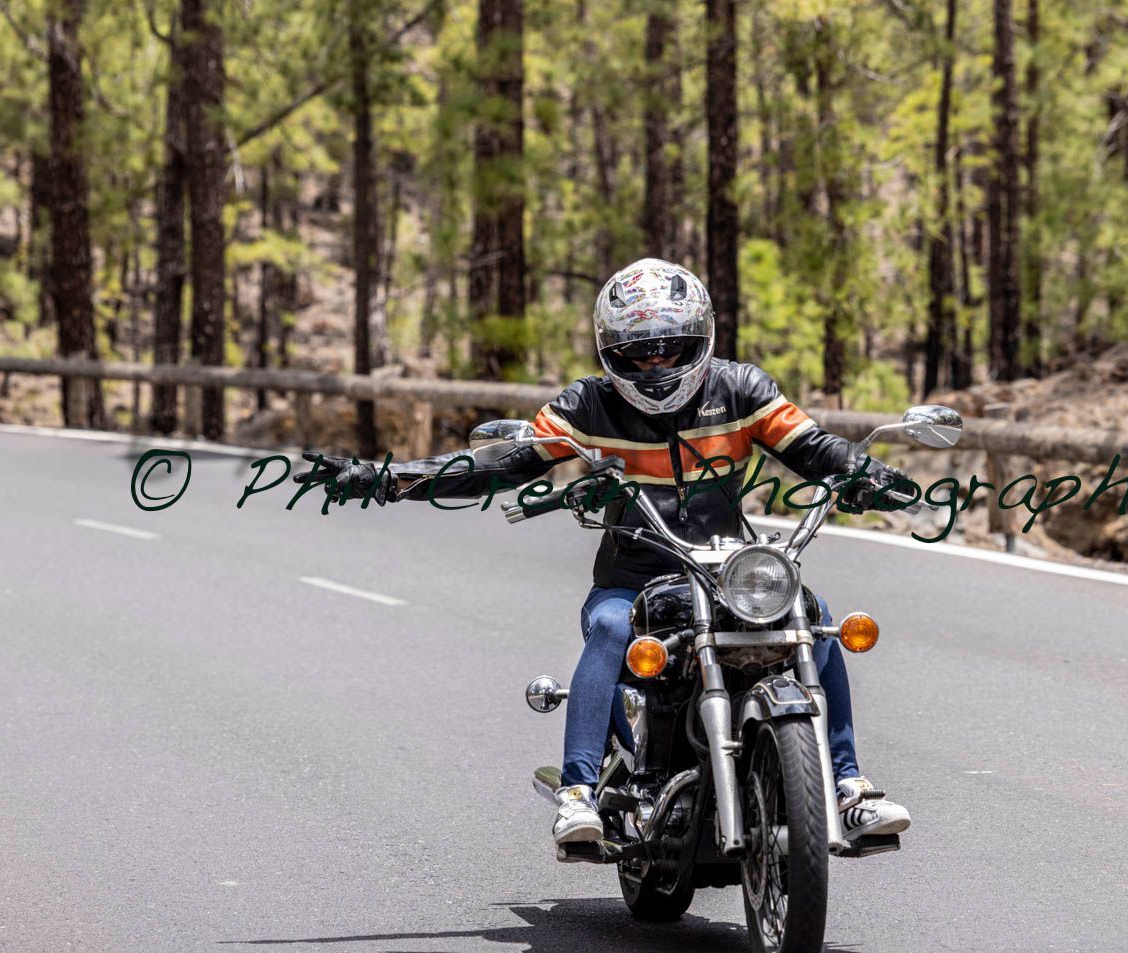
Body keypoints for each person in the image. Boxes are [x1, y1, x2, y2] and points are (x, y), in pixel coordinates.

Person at [297, 258, 912, 851]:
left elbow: (814, 445)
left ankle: (850, 784)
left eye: (670, 345)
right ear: (610, 352)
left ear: (700, 338)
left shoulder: (742, 388)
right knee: (614, 627)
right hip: (634, 573)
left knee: (811, 611)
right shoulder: (588, 406)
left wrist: (869, 473)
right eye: (638, 350)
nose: (656, 361)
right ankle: (579, 790)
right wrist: (387, 478)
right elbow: (496, 465)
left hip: (728, 568)